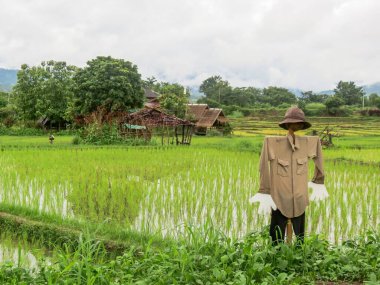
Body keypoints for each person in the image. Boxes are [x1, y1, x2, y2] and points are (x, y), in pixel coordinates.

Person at [250, 107, 328, 244]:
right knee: (276, 240)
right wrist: (264, 190)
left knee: (300, 240)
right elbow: (263, 165)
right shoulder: (272, 143)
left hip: (300, 199)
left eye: (298, 123)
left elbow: (319, 155)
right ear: (287, 124)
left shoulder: (309, 142)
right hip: (279, 199)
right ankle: (276, 259)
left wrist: (318, 180)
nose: (296, 126)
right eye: (294, 123)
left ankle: (298, 260)